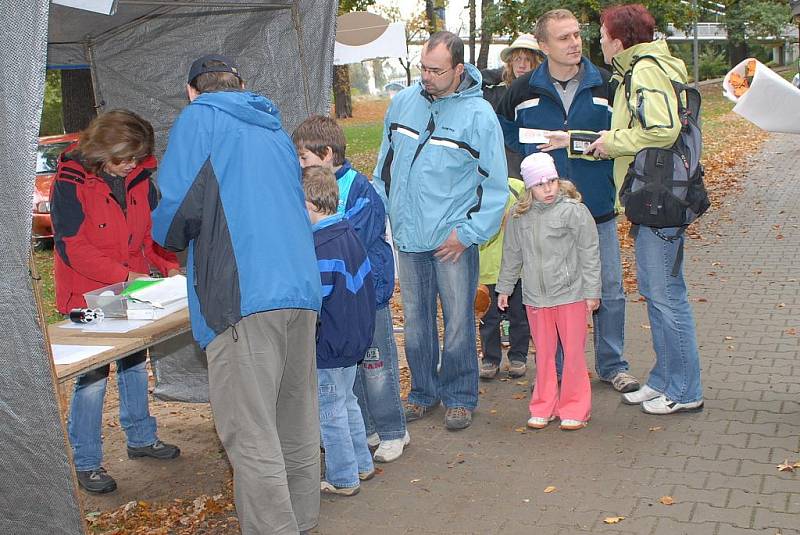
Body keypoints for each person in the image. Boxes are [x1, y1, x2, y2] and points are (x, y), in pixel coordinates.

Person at [151, 55, 323, 534]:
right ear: (241, 85)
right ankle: (302, 522)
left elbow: (176, 214)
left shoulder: (199, 118)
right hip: (300, 290)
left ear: (192, 91)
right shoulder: (272, 126)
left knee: (252, 435)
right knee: (295, 422)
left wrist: (165, 229)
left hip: (242, 297)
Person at [496, 8, 640, 395]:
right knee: (555, 294)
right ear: (543, 46)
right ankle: (560, 371)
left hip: (596, 208)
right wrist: (528, 154)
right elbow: (503, 126)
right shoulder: (522, 90)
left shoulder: (607, 85)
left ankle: (613, 365)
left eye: (577, 35)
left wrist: (583, 148)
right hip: (545, 214)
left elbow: (623, 137)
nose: (574, 42)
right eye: (564, 37)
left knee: (608, 289)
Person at [372, 31, 508, 431]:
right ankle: (423, 392)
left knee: (459, 322)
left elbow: (496, 184)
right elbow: (385, 168)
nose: (426, 77)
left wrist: (467, 234)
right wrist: (382, 218)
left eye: (435, 70)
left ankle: (461, 396)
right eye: (423, 68)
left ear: (458, 69)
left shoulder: (479, 116)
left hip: (452, 241)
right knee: (415, 322)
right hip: (408, 237)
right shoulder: (402, 104)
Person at [50, 109, 181, 494]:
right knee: (92, 378)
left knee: (135, 362)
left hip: (131, 286)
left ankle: (140, 437)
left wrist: (167, 264)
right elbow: (72, 246)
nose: (130, 166)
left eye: (136, 159)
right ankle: (86, 461)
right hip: (87, 290)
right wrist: (125, 277)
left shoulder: (139, 176)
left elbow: (152, 230)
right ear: (102, 151)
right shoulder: (71, 179)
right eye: (124, 159)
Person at [584, 4, 704, 414]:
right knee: (658, 293)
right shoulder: (644, 68)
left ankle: (685, 391)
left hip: (659, 199)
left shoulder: (645, 70)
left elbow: (662, 128)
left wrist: (613, 142)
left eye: (602, 33)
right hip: (656, 195)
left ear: (619, 40)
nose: (599, 39)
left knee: (666, 296)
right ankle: (664, 379)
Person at [291, 116, 409, 463]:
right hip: (339, 300)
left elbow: (350, 238)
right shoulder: (310, 188)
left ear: (326, 154)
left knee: (376, 364)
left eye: (304, 158)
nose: (300, 165)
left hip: (366, 294)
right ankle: (366, 428)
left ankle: (393, 430)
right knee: (349, 370)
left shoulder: (359, 189)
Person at [496, 153, 601, 431]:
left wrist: (592, 291)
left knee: (573, 355)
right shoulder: (519, 217)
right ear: (529, 187)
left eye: (552, 181)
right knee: (543, 354)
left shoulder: (574, 211)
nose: (549, 189)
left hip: (570, 295)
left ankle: (575, 407)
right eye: (541, 184)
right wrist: (505, 287)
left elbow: (589, 253)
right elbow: (512, 255)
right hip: (535, 298)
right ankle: (543, 405)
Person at [302, 165, 376, 496]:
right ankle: (362, 463)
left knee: (330, 412)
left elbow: (316, 304)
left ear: (310, 205)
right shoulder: (349, 237)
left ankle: (343, 477)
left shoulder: (320, 249)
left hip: (330, 346)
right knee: (348, 402)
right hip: (353, 340)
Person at [477, 176, 530, 380]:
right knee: (488, 319)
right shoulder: (472, 188)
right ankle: (490, 359)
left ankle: (518, 356)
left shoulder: (517, 187)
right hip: (486, 268)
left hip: (516, 267)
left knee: (519, 315)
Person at [482, 33, 543, 180]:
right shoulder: (496, 89)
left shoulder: (543, 93)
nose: (522, 65)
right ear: (510, 62)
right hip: (501, 165)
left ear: (536, 63)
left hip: (533, 163)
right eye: (517, 59)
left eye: (528, 59)